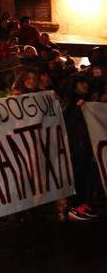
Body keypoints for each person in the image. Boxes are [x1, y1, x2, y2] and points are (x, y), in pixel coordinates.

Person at [61, 75, 99, 220]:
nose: (85, 86)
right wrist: (78, 108)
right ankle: (75, 206)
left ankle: (84, 204)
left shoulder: (87, 101)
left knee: (87, 175)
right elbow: (67, 123)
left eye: (86, 83)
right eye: (81, 83)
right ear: (75, 86)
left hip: (86, 145)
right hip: (77, 146)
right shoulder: (71, 102)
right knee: (79, 176)